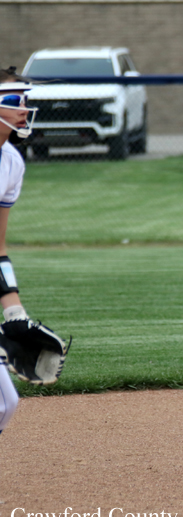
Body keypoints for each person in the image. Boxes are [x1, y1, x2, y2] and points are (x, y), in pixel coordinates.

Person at [0, 66, 40, 436]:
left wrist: (14, 309)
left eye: (26, 100)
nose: (24, 108)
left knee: (6, 403)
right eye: (15, 100)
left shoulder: (10, 162)